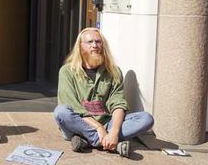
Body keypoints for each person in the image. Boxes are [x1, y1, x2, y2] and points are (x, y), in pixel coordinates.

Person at [54, 27, 154, 157]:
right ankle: (108, 143)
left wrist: (113, 132)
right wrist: (99, 128)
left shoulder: (114, 71)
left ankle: (88, 141)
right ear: (80, 46)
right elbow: (75, 108)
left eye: (98, 42)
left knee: (146, 119)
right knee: (61, 112)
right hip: (80, 124)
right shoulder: (67, 71)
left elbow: (118, 104)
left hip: (106, 123)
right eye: (90, 42)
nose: (95, 45)